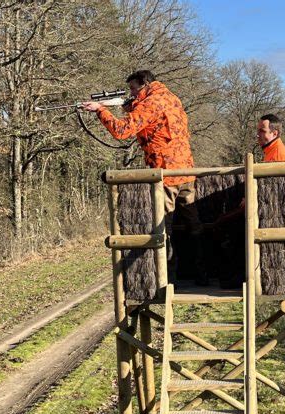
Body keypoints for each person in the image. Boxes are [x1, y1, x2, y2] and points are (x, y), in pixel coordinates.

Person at [82, 69, 208, 285]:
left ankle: (168, 278)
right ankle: (201, 273)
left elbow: (122, 131)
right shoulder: (171, 98)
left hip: (164, 173)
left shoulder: (150, 103)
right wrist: (126, 106)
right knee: (192, 224)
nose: (131, 93)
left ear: (145, 84)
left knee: (163, 226)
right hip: (186, 170)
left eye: (133, 88)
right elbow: (153, 121)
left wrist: (101, 110)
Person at [214, 114, 285, 288]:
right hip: (260, 207)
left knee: (228, 225)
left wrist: (250, 199)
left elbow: (273, 190)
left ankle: (238, 277)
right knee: (226, 222)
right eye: (257, 130)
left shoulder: (278, 154)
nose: (257, 134)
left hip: (269, 214)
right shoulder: (271, 151)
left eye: (262, 131)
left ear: (275, 133)